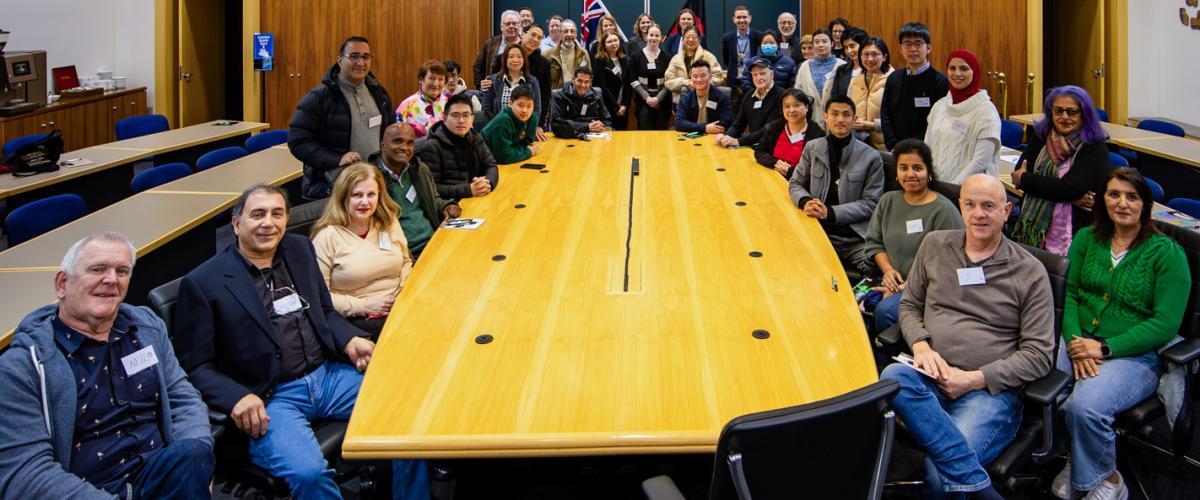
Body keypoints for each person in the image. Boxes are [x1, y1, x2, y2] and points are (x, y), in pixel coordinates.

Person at [175, 184, 429, 500]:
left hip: (328, 377)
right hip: (272, 398)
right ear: (236, 223)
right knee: (309, 475)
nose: (269, 222)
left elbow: (324, 311)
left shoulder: (298, 249)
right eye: (258, 214)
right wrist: (236, 397)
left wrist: (350, 339)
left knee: (410, 416)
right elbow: (194, 366)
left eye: (277, 213)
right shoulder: (204, 283)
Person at [879, 174, 1055, 499]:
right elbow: (909, 305)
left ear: (1007, 210)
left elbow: (1040, 354)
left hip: (989, 392)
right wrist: (920, 345)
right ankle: (983, 489)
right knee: (892, 375)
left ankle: (976, 487)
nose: (978, 214)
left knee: (938, 473)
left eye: (989, 206)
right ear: (960, 206)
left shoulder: (1029, 272)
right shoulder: (935, 245)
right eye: (970, 204)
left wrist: (974, 379)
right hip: (929, 375)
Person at [0, 231, 213, 499]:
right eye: (97, 269)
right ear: (62, 283)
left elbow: (183, 397)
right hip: (88, 489)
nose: (111, 279)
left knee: (193, 453)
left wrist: (200, 456)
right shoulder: (22, 367)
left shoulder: (147, 329)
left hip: (161, 474)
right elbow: (26, 474)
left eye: (122, 271)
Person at [1051, 168, 1189, 500]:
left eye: (1132, 196)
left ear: (1146, 204)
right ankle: (1080, 458)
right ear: (1103, 200)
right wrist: (1074, 342)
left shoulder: (1167, 253)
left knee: (1083, 406)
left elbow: (1165, 324)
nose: (1122, 203)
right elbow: (1068, 294)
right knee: (1045, 387)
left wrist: (1106, 349)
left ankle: (1109, 479)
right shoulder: (1087, 239)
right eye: (1114, 194)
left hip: (1135, 353)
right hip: (1078, 338)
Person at [863, 139, 964, 334]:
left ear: (929, 172)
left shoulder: (943, 211)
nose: (910, 174)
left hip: (926, 290)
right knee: (848, 303)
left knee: (885, 311)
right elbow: (875, 244)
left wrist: (903, 288)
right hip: (887, 279)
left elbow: (948, 266)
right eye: (904, 168)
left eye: (917, 168)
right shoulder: (888, 201)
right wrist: (888, 271)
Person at [310, 164, 413, 338]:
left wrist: (401, 294)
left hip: (400, 305)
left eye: (371, 194)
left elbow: (406, 262)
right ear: (343, 198)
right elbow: (320, 296)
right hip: (359, 318)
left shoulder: (388, 221)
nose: (365, 202)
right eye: (357, 195)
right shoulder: (326, 237)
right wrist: (364, 306)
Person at [289, 36, 394, 201]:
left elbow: (389, 133)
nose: (360, 62)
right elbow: (298, 141)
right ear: (339, 60)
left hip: (371, 185)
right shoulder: (319, 97)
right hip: (333, 187)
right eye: (354, 56)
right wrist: (337, 159)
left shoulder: (378, 93)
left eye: (366, 57)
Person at [789, 96, 884, 277]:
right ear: (825, 116)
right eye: (834, 114)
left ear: (854, 120)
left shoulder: (871, 157)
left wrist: (831, 213)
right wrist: (805, 201)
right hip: (816, 230)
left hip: (852, 237)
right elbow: (795, 183)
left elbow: (872, 203)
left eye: (846, 115)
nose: (840, 120)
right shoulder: (812, 147)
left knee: (876, 268)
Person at [1010, 85, 1111, 256]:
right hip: (1035, 230)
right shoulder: (1041, 137)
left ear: (1084, 114)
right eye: (1058, 111)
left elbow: (1069, 187)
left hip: (1073, 231)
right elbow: (1018, 174)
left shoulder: (1094, 147)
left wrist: (1029, 180)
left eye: (1072, 112)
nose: (1064, 117)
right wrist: (1069, 198)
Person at [372, 123, 462, 258]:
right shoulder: (370, 178)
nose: (404, 148)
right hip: (402, 253)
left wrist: (446, 206)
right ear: (382, 145)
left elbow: (433, 199)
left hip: (434, 240)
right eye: (398, 142)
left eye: (410, 143)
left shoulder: (420, 169)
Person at [924, 49, 1001, 185]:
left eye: (964, 69)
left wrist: (951, 189)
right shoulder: (939, 106)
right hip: (936, 188)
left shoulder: (986, 112)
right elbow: (927, 147)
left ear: (975, 72)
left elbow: (980, 162)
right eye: (952, 68)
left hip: (971, 192)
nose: (957, 73)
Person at [880, 22, 949, 150]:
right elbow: (885, 113)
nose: (913, 49)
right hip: (895, 149)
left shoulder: (940, 82)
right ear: (900, 49)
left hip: (927, 149)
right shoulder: (893, 78)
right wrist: (892, 144)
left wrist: (913, 147)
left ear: (928, 48)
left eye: (918, 44)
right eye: (907, 44)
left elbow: (938, 122)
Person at [419, 93, 500, 200]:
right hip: (451, 205)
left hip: (476, 198)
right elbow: (432, 188)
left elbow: (491, 165)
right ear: (444, 118)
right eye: (455, 115)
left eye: (466, 115)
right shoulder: (432, 147)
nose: (461, 120)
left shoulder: (475, 137)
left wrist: (487, 182)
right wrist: (468, 189)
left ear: (472, 118)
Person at [754, 88, 825, 177]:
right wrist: (776, 162)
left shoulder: (817, 135)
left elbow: (817, 172)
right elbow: (759, 151)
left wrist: (789, 171)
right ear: (781, 110)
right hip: (772, 177)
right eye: (787, 106)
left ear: (806, 107)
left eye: (796, 105)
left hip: (799, 184)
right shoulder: (775, 127)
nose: (791, 110)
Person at [718, 57, 783, 148]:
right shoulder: (749, 95)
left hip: (772, 147)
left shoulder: (781, 96)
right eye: (754, 74)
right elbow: (738, 124)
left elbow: (768, 130)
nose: (758, 78)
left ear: (772, 74)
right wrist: (727, 136)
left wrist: (739, 141)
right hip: (753, 145)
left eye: (762, 74)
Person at [480, 44, 543, 128]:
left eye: (519, 56)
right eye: (511, 56)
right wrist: (498, 126)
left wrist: (530, 128)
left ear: (524, 60)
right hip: (498, 129)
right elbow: (486, 109)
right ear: (505, 60)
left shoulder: (532, 81)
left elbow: (537, 109)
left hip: (523, 130)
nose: (515, 60)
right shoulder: (493, 80)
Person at [794, 29, 845, 132]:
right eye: (817, 42)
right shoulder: (804, 66)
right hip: (812, 121)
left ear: (832, 43)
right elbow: (798, 93)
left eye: (824, 41)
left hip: (838, 120)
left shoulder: (843, 65)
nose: (820, 45)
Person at [849, 37, 894, 150]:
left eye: (874, 54)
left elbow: (899, 118)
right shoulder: (855, 81)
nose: (870, 59)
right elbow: (848, 109)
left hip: (886, 146)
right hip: (859, 145)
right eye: (865, 54)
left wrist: (873, 125)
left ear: (884, 57)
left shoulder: (894, 80)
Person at [481, 85, 542, 164]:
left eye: (529, 106)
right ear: (510, 103)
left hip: (505, 160)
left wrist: (516, 151)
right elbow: (504, 157)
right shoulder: (503, 121)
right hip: (484, 161)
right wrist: (528, 152)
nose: (524, 110)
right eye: (520, 105)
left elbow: (527, 143)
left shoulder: (532, 117)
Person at [664, 26, 725, 103]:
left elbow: (718, 77)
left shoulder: (708, 57)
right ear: (683, 39)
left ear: (699, 40)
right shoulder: (676, 59)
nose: (690, 40)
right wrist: (685, 82)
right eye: (687, 37)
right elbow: (668, 81)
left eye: (694, 37)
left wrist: (700, 84)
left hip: (705, 101)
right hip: (681, 102)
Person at [630, 24, 673, 130]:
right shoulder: (636, 56)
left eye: (657, 36)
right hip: (642, 102)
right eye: (651, 35)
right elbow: (632, 78)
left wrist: (658, 98)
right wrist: (647, 97)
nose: (654, 38)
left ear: (661, 38)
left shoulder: (667, 57)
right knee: (644, 137)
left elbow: (670, 80)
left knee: (661, 136)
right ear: (646, 36)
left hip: (662, 103)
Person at [673, 60, 732, 135]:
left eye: (703, 76)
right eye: (695, 76)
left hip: (714, 136)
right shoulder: (686, 99)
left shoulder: (722, 97)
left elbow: (726, 122)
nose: (699, 80)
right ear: (691, 78)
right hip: (692, 136)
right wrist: (705, 128)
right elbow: (679, 123)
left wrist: (697, 127)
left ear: (710, 76)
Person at [550, 67, 612, 138]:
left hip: (595, 137)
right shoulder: (559, 95)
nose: (583, 85)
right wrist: (587, 127)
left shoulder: (597, 94)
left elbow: (607, 119)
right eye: (580, 81)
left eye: (586, 82)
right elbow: (556, 124)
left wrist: (600, 126)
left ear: (590, 82)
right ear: (573, 80)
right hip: (570, 137)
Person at [395, 59, 448, 139]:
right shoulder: (407, 106)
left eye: (440, 79)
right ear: (421, 80)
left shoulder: (450, 103)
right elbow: (397, 136)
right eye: (432, 78)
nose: (436, 83)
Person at [473, 10, 524, 89]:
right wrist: (480, 85)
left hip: (520, 90)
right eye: (507, 24)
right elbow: (478, 67)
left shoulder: (525, 45)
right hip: (493, 91)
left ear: (520, 26)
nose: (511, 26)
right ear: (501, 27)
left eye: (514, 23)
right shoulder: (490, 44)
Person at [593, 32, 632, 130]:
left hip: (623, 106)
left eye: (615, 40)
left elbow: (627, 83)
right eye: (609, 41)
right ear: (604, 44)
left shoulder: (624, 59)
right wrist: (616, 107)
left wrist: (625, 105)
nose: (613, 43)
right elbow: (602, 86)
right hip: (608, 106)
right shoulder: (600, 60)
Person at [721, 5, 762, 94]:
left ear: (749, 18)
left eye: (744, 17)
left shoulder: (759, 36)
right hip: (734, 82)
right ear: (734, 19)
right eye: (738, 17)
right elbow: (726, 59)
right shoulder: (727, 38)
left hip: (753, 81)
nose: (742, 20)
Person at [521, 24, 554, 127]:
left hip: (531, 116)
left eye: (539, 38)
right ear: (523, 34)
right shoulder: (506, 56)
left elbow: (545, 95)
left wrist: (539, 124)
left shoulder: (544, 63)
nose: (535, 39)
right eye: (533, 35)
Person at [544, 19, 590, 90]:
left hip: (578, 95)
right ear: (560, 33)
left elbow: (590, 77)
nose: (569, 34)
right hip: (556, 97)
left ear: (576, 34)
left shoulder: (584, 53)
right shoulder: (547, 55)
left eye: (572, 31)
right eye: (565, 31)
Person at [827, 27, 868, 101]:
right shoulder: (841, 69)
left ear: (863, 44)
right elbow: (835, 96)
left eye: (852, 46)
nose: (849, 51)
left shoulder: (871, 69)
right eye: (846, 47)